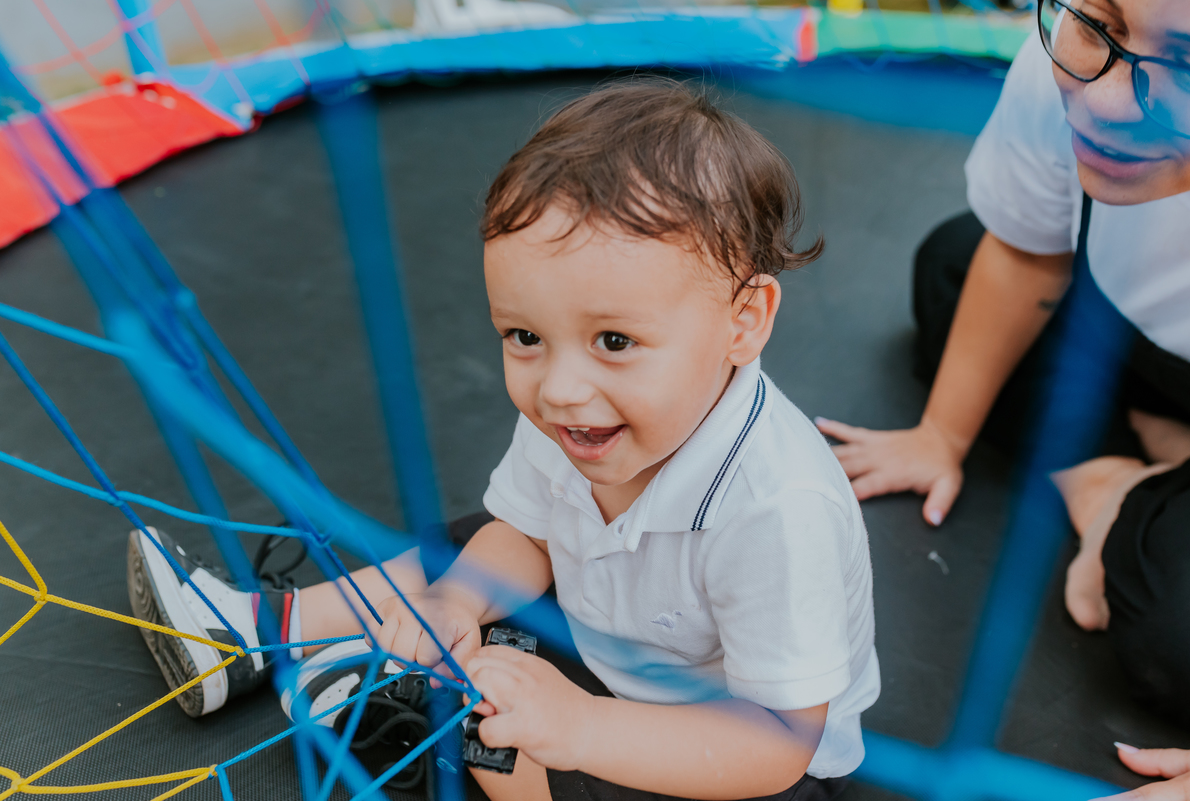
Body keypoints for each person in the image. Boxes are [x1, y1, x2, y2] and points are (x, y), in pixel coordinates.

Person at [127, 79, 880, 801]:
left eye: (614, 339)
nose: (557, 387)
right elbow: (526, 532)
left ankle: (420, 724)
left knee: (528, 754)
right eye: (525, 336)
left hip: (732, 758)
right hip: (606, 645)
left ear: (742, 321)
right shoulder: (581, 409)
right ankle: (258, 632)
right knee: (463, 551)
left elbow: (778, 744)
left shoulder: (778, 507)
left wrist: (585, 726)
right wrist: (457, 603)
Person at [814, 0, 1190, 732]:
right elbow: (1026, 253)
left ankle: (1149, 501)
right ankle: (1112, 481)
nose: (1110, 100)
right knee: (954, 269)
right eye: (1100, 22)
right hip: (1139, 340)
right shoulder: (1072, 63)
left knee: (1181, 627)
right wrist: (941, 437)